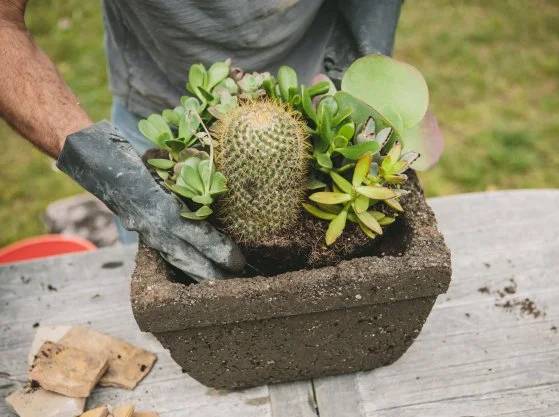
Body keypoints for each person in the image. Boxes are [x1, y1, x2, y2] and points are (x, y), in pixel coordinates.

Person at [0, 0, 402, 280]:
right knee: (163, 262)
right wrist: (114, 176)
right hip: (161, 117)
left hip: (315, 99)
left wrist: (361, 58)